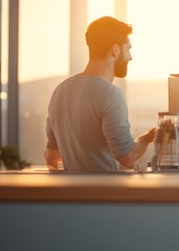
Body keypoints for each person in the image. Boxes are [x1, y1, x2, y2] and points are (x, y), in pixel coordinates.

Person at [44, 16, 156, 172]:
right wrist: (147, 138)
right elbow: (127, 157)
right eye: (128, 49)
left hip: (71, 193)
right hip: (104, 193)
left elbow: (52, 156)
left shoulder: (60, 90)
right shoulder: (110, 95)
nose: (130, 56)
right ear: (115, 49)